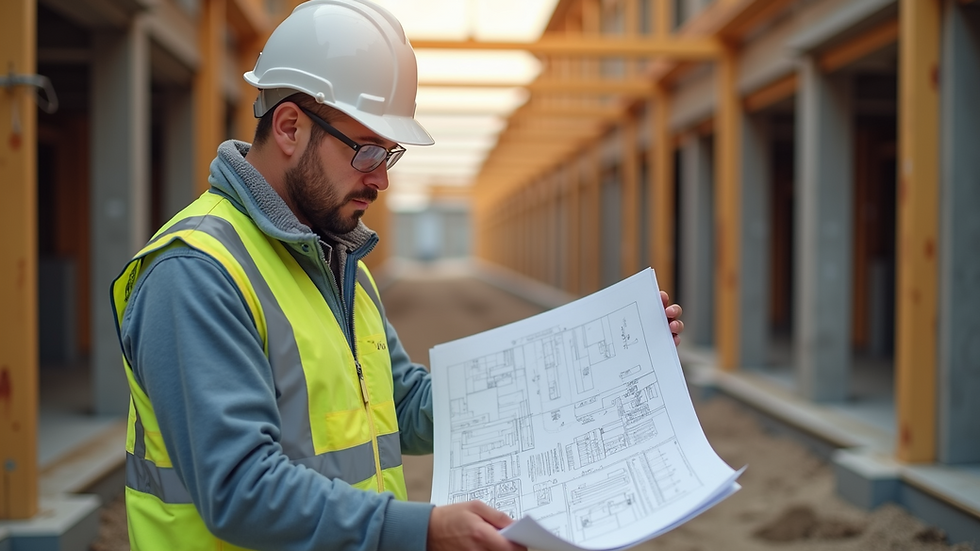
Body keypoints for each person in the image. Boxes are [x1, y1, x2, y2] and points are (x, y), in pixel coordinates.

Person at [110, 1, 685, 550]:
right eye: (366, 152)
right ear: (289, 127)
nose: (380, 181)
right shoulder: (197, 272)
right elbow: (239, 488)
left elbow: (405, 406)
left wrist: (591, 368)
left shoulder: (338, 263)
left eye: (389, 156)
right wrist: (421, 533)